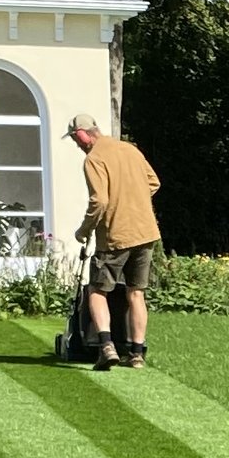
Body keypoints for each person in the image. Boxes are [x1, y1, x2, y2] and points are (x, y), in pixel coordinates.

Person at [68, 113, 161, 369]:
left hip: (115, 236)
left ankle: (106, 347)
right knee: (136, 293)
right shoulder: (130, 150)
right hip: (146, 233)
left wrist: (84, 230)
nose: (77, 145)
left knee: (97, 291)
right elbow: (153, 182)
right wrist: (133, 198)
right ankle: (137, 354)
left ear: (83, 134)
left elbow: (100, 201)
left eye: (76, 139)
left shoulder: (93, 159)